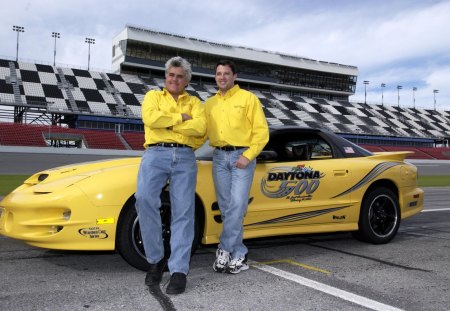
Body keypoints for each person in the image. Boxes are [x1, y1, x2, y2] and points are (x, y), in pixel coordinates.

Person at [135, 56, 206, 294]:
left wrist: (168, 124)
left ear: (187, 80)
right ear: (166, 77)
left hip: (185, 157)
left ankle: (179, 271)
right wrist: (180, 119)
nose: (174, 79)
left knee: (184, 211)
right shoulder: (153, 97)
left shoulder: (195, 103)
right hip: (155, 154)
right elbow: (151, 119)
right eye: (171, 75)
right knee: (144, 200)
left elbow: (200, 129)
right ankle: (156, 260)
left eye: (180, 76)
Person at [204, 60, 269, 274]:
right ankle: (239, 252)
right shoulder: (209, 104)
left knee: (237, 205)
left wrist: (248, 156)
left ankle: (224, 248)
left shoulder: (248, 99)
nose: (222, 77)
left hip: (241, 157)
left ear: (234, 76)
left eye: (226, 73)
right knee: (226, 208)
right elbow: (201, 133)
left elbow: (261, 133)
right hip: (219, 159)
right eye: (218, 73)